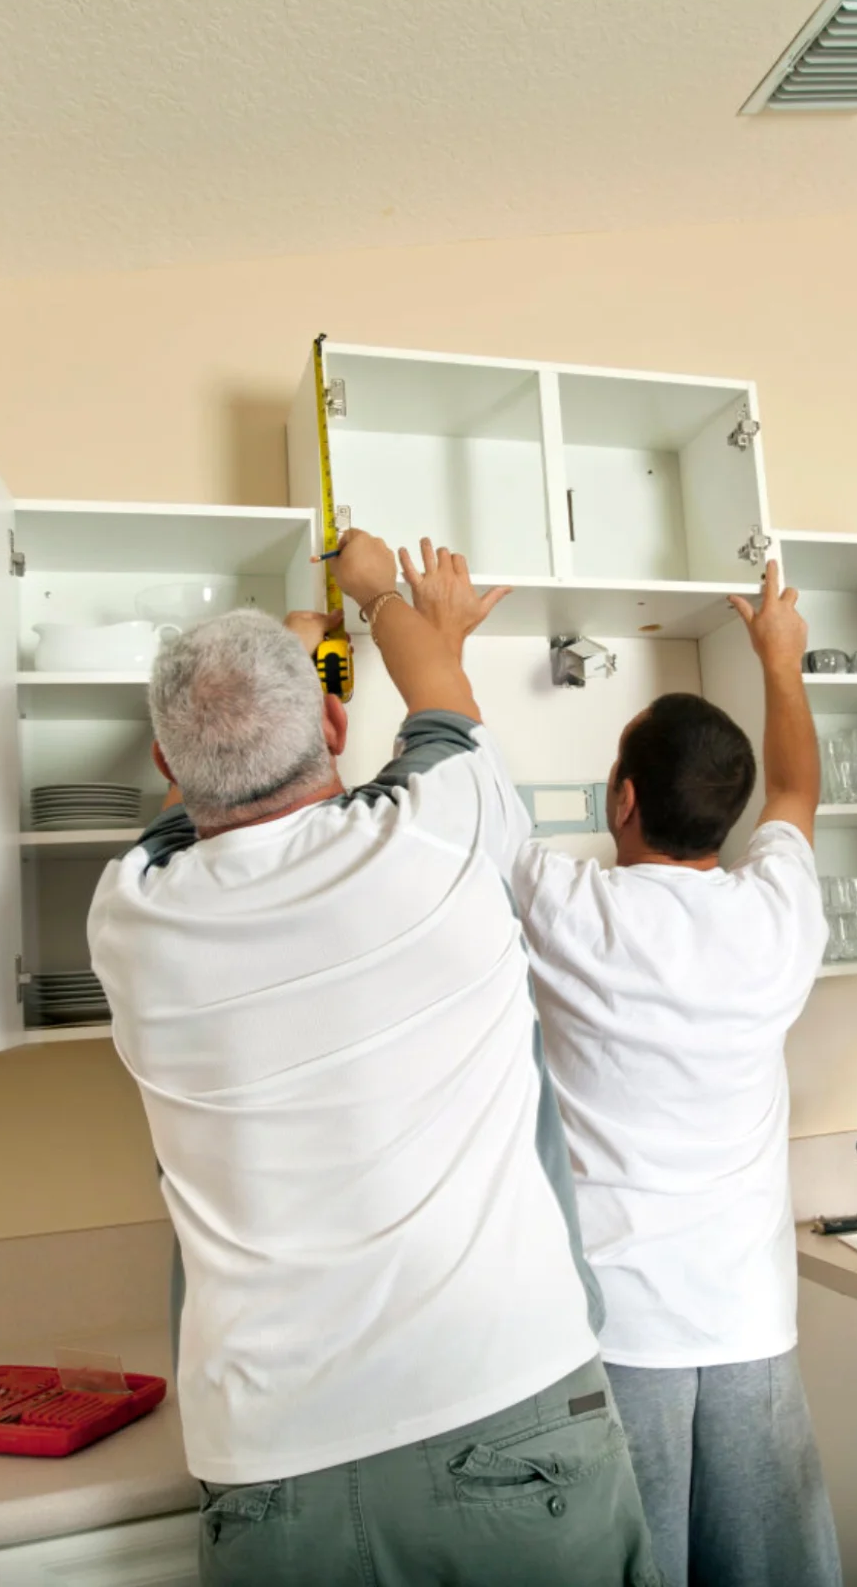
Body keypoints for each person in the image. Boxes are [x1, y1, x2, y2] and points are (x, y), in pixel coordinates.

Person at [87, 530, 660, 1587]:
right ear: (337, 724)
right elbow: (440, 696)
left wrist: (286, 652)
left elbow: (184, 819)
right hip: (507, 1405)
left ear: (166, 764)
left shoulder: (128, 920)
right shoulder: (441, 835)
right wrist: (378, 592)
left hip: (270, 1463)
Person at [498, 560, 841, 1587]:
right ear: (729, 814)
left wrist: (426, 629)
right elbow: (796, 788)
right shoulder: (778, 911)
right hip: (751, 1327)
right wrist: (779, 659)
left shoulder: (570, 908)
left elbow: (470, 793)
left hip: (616, 1336)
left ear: (623, 797)